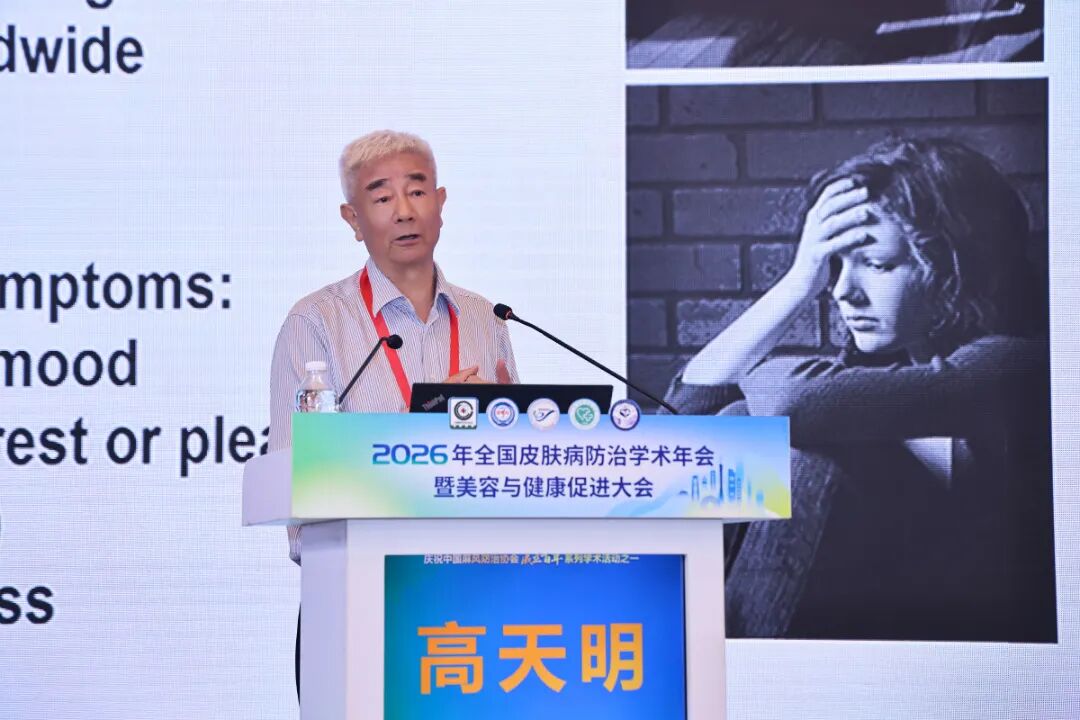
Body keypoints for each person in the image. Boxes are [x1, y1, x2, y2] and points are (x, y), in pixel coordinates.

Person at [664, 137, 1055, 641]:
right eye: (835, 266)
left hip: (963, 648)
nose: (843, 291)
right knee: (735, 427)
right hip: (858, 628)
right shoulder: (874, 376)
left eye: (878, 264)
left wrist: (760, 377)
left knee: (800, 455)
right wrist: (797, 284)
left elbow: (791, 402)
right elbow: (679, 426)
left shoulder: (1017, 365)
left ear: (956, 268)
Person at [268, 129, 519, 696]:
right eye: (382, 198)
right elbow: (298, 479)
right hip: (361, 599)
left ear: (441, 203)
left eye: (418, 191)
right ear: (353, 219)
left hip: (479, 598)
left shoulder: (488, 320)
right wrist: (417, 429)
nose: (404, 211)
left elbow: (514, 463)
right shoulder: (316, 323)